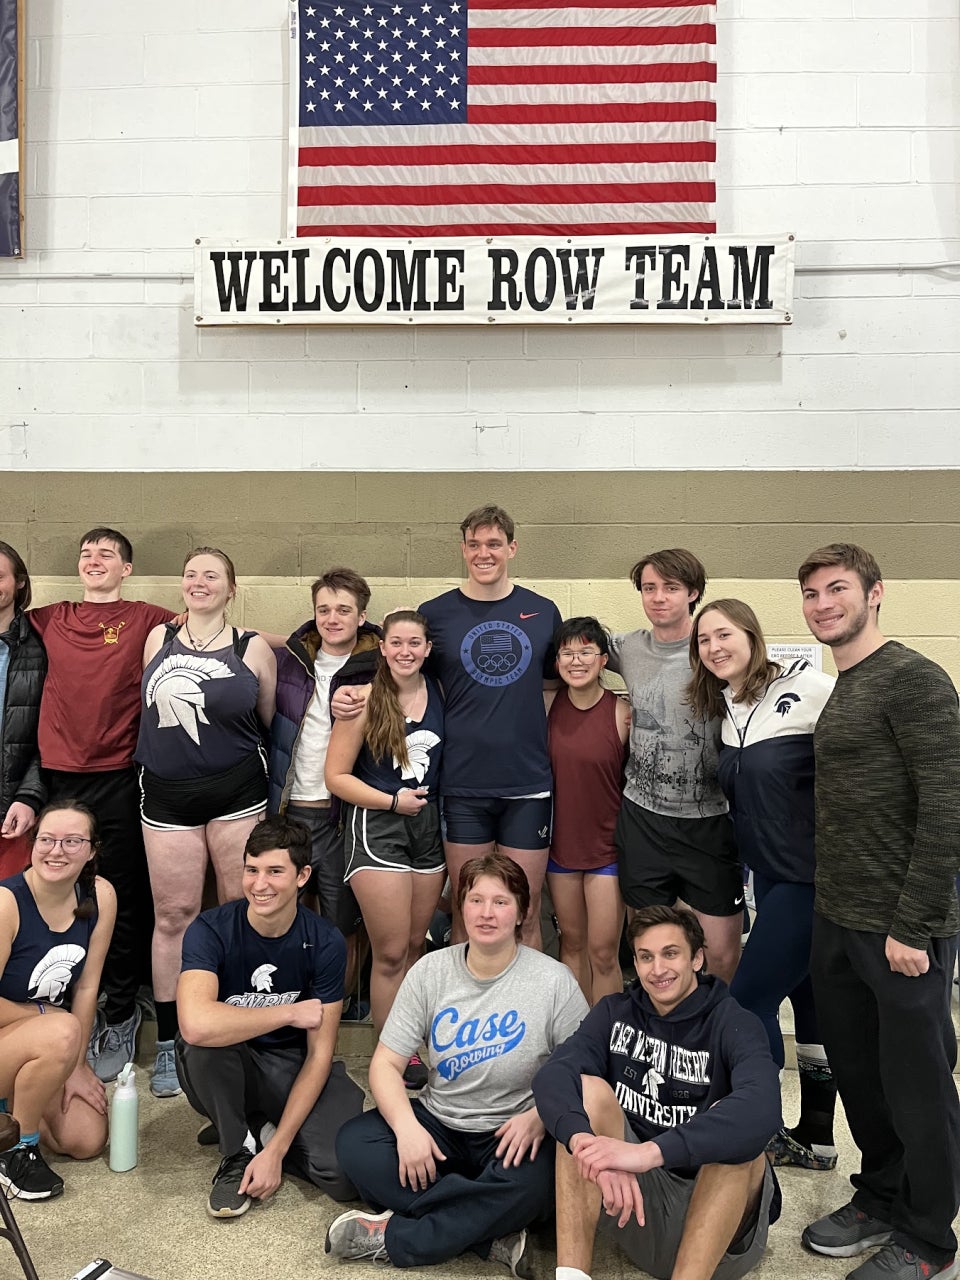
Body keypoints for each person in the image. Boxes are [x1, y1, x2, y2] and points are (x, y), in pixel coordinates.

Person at [796, 544, 960, 1280]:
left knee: (917, 1086)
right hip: (840, 917)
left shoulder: (915, 680)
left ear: (875, 593)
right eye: (811, 593)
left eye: (837, 589)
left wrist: (913, 925)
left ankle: (928, 1236)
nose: (824, 603)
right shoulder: (846, 684)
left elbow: (947, 808)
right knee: (861, 1075)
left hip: (900, 927)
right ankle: (881, 1193)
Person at [325, 851, 589, 1273]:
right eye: (475, 900)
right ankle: (489, 1231)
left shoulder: (553, 980)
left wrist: (540, 1115)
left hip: (512, 1133)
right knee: (354, 1146)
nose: (486, 913)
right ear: (461, 907)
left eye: (501, 902)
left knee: (548, 1182)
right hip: (440, 1124)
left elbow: (587, 1070)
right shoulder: (431, 971)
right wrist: (408, 1130)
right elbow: (386, 1065)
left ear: (521, 912)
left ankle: (400, 1239)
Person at [333, 506, 561, 949]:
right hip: (460, 785)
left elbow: (553, 683)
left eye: (494, 544)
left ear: (512, 548)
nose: (484, 553)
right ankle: (463, 1015)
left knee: (526, 911)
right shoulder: (436, 612)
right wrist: (350, 690)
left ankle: (527, 1017)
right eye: (474, 545)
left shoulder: (542, 610)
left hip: (527, 783)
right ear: (463, 550)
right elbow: (402, 669)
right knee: (466, 910)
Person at [533, 905, 781, 1280]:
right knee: (583, 1093)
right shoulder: (614, 1012)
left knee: (739, 1138)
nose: (658, 969)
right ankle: (571, 1275)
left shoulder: (734, 1023)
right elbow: (553, 1075)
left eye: (670, 953)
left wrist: (647, 1154)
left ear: (697, 958)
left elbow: (763, 1110)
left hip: (719, 1232)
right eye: (645, 957)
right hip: (636, 1205)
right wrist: (586, 1143)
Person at [687, 598, 838, 1171]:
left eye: (724, 635)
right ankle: (820, 1138)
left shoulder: (812, 690)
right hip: (768, 876)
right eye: (704, 641)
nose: (714, 647)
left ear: (752, 636)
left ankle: (765, 1127)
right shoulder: (726, 708)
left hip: (812, 878)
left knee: (747, 1002)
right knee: (810, 1001)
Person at [29, 528, 175, 1083]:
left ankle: (118, 1010)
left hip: (120, 775)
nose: (94, 560)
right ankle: (65, 1008)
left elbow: (226, 635)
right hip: (55, 779)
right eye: (87, 553)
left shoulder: (148, 619)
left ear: (126, 569)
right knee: (56, 894)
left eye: (106, 554)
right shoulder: (50, 617)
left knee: (122, 895)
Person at [136, 547, 277, 1100]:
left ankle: (232, 1029)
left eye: (211, 575)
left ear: (231, 588)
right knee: (174, 914)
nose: (199, 582)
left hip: (237, 792)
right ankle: (171, 1043)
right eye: (190, 573)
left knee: (237, 910)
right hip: (166, 797)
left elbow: (265, 718)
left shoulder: (253, 647)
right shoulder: (157, 641)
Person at [175, 814, 363, 1219]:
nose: (259, 885)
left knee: (342, 1175)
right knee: (202, 1043)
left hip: (293, 1065)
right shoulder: (210, 929)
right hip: (227, 1062)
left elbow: (319, 1056)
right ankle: (237, 1152)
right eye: (251, 870)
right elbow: (195, 1024)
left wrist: (278, 1150)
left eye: (275, 871)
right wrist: (290, 1012)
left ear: (302, 875)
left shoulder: (325, 941)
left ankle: (257, 1132)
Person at [607, 548, 743, 985]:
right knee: (650, 949)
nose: (658, 597)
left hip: (707, 822)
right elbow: (572, 647)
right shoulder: (627, 648)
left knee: (720, 954)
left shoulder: (713, 650)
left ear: (693, 594)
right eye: (650, 588)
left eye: (671, 588)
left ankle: (712, 1040)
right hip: (642, 820)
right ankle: (659, 1040)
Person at [325, 610, 445, 1084]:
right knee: (391, 952)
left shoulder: (439, 692)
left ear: (427, 649)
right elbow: (334, 777)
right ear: (383, 647)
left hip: (428, 826)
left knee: (417, 945)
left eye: (415, 643)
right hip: (378, 824)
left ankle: (410, 1038)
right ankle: (391, 1052)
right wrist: (391, 801)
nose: (405, 652)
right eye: (396, 643)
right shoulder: (365, 701)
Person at [268, 567, 381, 1013]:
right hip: (290, 806)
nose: (333, 618)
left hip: (341, 811)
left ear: (362, 615)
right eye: (323, 609)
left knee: (341, 917)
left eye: (344, 609)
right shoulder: (292, 661)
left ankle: (338, 1002)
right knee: (287, 911)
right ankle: (292, 1001)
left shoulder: (379, 664)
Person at [0, 802, 116, 1199]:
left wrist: (77, 1064)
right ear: (33, 844)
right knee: (62, 1027)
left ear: (92, 850)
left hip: (40, 1043)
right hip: (23, 1037)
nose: (56, 851)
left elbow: (86, 987)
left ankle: (13, 1110)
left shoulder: (100, 895)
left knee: (86, 1139)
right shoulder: (7, 903)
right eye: (47, 840)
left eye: (72, 841)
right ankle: (16, 1150)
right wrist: (45, 1014)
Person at [546, 616, 630, 1005]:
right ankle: (575, 1038)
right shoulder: (545, 707)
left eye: (586, 652)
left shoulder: (622, 713)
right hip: (559, 849)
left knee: (603, 952)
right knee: (572, 947)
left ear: (603, 661)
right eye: (567, 652)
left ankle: (607, 1037)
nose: (576, 661)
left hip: (606, 850)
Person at [0, 542, 47, 878]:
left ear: (19, 582)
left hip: (12, 810)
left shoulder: (44, 644)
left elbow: (54, 731)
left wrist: (30, 796)